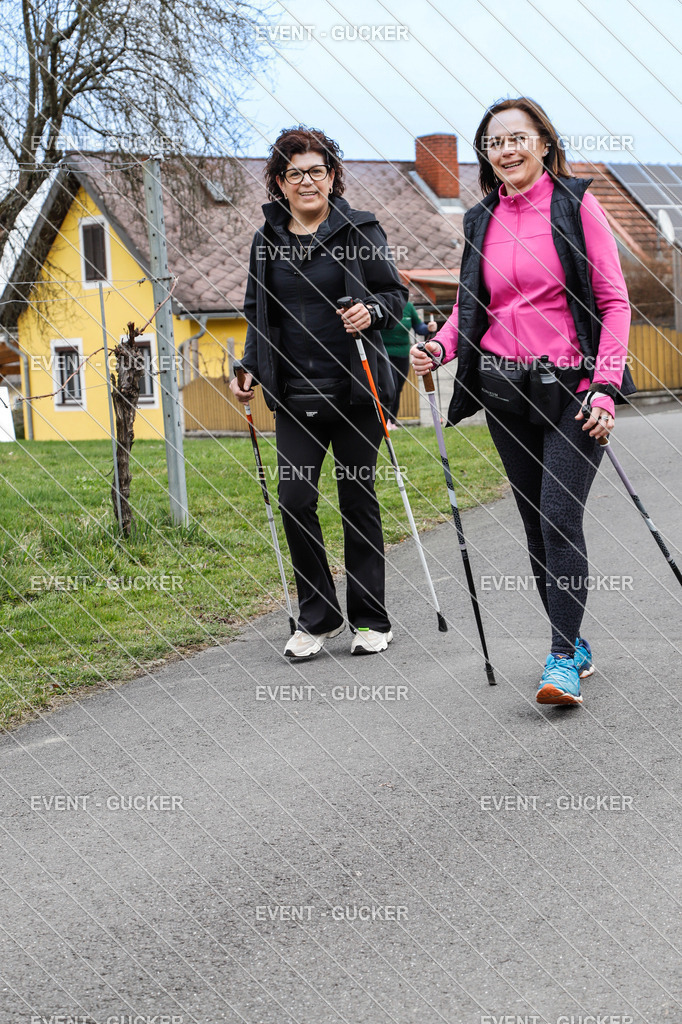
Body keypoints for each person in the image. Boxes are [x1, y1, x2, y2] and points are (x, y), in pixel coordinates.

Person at [411, 97, 636, 706]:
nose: (506, 149)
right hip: (505, 393)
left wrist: (605, 388)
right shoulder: (480, 219)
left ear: (543, 142)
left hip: (573, 392)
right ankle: (575, 640)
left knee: (560, 516)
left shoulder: (575, 204)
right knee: (537, 525)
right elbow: (468, 306)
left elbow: (615, 304)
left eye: (518, 137)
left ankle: (561, 657)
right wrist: (439, 347)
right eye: (494, 141)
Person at [230, 126, 408, 659]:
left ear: (332, 176)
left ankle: (372, 620)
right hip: (294, 394)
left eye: (317, 171)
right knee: (295, 499)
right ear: (279, 182)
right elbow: (258, 315)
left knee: (357, 499)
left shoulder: (360, 229)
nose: (307, 181)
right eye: (295, 173)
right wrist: (249, 368)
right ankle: (318, 617)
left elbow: (394, 294)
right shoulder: (267, 241)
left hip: (356, 390)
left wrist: (370, 311)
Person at [381, 301, 430, 429]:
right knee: (390, 387)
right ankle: (384, 420)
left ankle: (392, 420)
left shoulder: (408, 307)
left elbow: (419, 328)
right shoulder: (382, 303)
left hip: (403, 354)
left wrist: (429, 328)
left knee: (398, 388)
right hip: (383, 353)